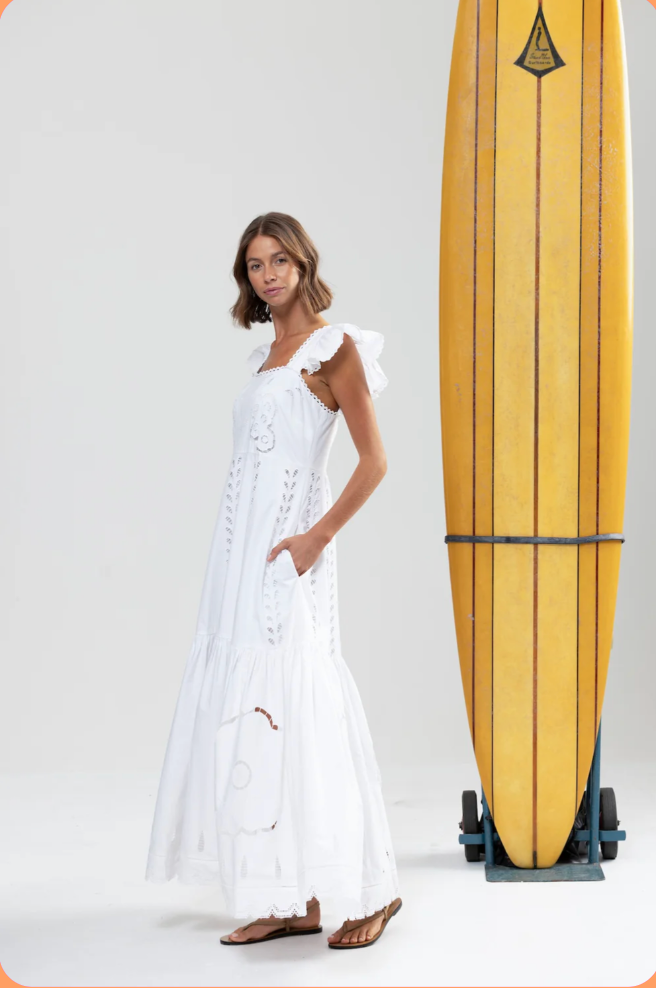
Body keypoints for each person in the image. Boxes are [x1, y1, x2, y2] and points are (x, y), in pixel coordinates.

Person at [145, 211, 401, 948]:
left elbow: (375, 461)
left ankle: (373, 890)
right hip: (239, 563)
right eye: (255, 265)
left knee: (305, 703)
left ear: (303, 262)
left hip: (292, 558)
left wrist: (315, 540)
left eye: (278, 260)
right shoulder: (265, 358)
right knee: (257, 712)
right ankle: (293, 897)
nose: (267, 275)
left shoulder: (334, 348)